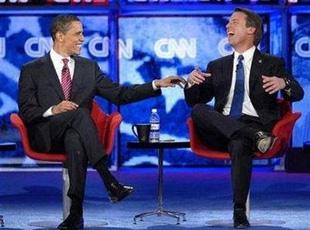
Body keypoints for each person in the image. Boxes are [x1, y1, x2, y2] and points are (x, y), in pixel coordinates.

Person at [18, 15, 181, 230]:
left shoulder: (88, 68)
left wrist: (156, 84)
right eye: (78, 33)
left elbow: (121, 94)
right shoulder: (32, 69)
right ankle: (108, 180)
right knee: (80, 114)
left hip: (78, 137)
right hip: (46, 135)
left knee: (75, 137)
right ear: (59, 36)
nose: (83, 39)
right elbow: (27, 111)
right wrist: (54, 109)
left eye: (83, 33)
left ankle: (75, 214)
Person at [183, 8, 304, 229]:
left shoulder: (271, 63)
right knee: (200, 109)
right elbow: (195, 101)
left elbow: (297, 93)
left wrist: (283, 83)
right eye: (228, 22)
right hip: (223, 129)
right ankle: (255, 137)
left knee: (239, 144)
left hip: (255, 124)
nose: (228, 26)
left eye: (235, 22)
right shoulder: (217, 66)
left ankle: (239, 212)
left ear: (251, 29)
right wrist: (190, 83)